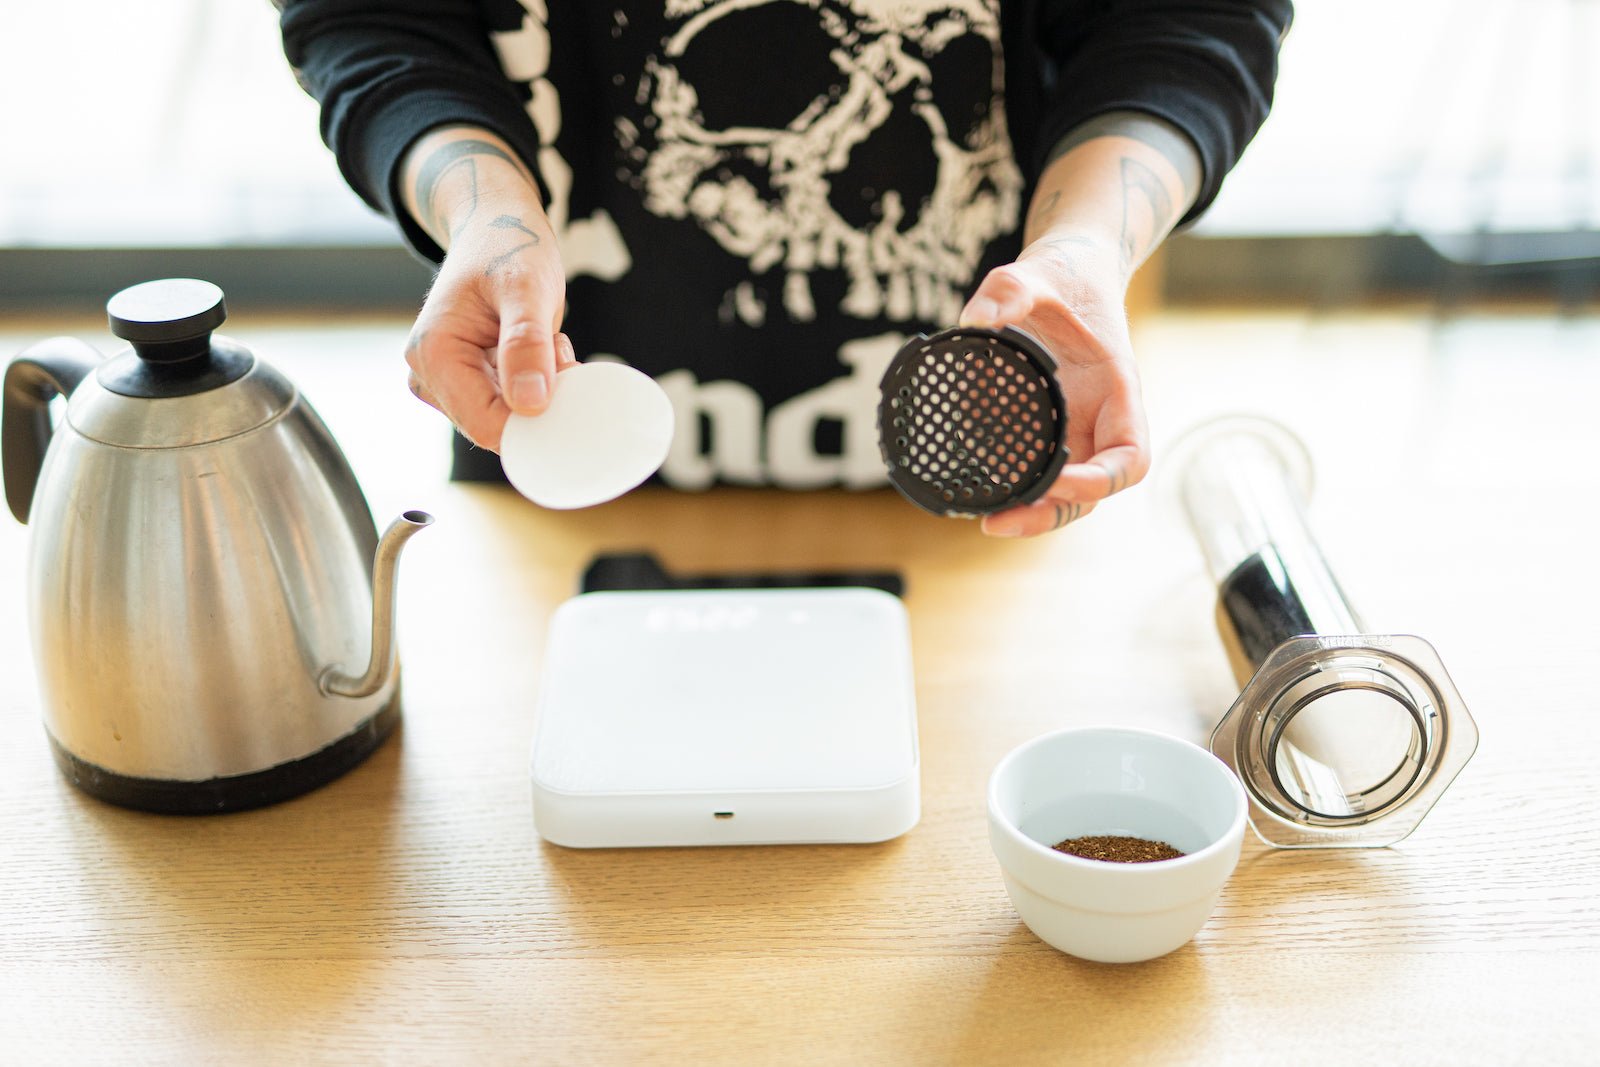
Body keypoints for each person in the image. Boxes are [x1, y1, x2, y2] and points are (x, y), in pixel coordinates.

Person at [280, 0, 1291, 536]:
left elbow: (1183, 19)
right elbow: (376, 16)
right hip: (563, 485)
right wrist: (482, 214)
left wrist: (1083, 251)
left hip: (983, 479)